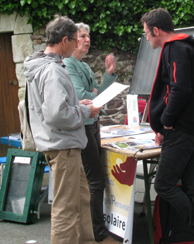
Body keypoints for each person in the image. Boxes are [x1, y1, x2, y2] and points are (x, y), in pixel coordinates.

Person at [141, 8, 194, 244]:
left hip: (182, 130)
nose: (146, 37)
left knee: (163, 184)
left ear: (156, 30)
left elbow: (180, 89)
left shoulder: (175, 49)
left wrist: (166, 123)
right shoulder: (185, 48)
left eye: (146, 33)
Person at [23, 15, 102, 244]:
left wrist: (78, 106)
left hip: (60, 144)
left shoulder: (41, 65)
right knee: (67, 209)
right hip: (63, 146)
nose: (78, 44)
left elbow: (52, 108)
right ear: (65, 40)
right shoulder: (53, 70)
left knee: (81, 200)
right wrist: (85, 112)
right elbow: (57, 115)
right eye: (76, 40)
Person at [63, 23, 120, 244]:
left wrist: (108, 74)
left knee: (96, 179)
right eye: (83, 36)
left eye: (89, 35)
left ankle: (96, 227)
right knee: (95, 181)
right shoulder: (68, 65)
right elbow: (83, 95)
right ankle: (97, 231)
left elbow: (99, 94)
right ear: (73, 39)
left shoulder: (83, 66)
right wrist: (94, 93)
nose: (88, 40)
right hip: (83, 126)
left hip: (93, 123)